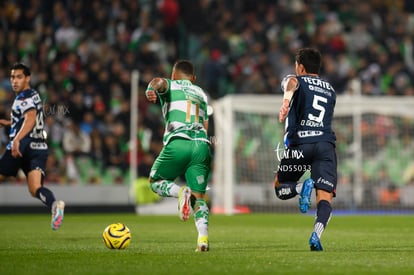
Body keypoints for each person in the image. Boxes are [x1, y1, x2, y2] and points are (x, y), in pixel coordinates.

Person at [273, 48, 337, 251]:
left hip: (300, 145)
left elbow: (292, 83)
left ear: (300, 67)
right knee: (325, 195)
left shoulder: (295, 79)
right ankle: (316, 235)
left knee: (280, 188)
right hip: (325, 145)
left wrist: (285, 102)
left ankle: (301, 188)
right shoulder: (330, 89)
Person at [145, 60, 212, 252]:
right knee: (199, 197)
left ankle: (180, 192)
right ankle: (203, 239)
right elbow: (206, 127)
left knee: (155, 181)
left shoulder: (171, 84)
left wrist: (151, 88)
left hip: (179, 142)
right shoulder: (201, 93)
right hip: (202, 145)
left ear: (173, 75)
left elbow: (158, 81)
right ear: (194, 78)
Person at [0, 63, 65, 230]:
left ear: (27, 78)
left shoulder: (24, 97)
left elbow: (30, 119)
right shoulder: (35, 95)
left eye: (19, 77)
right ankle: (54, 205)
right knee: (35, 188)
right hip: (39, 147)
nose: (14, 81)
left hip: (23, 145)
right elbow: (28, 119)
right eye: (12, 77)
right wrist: (9, 123)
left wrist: (17, 140)